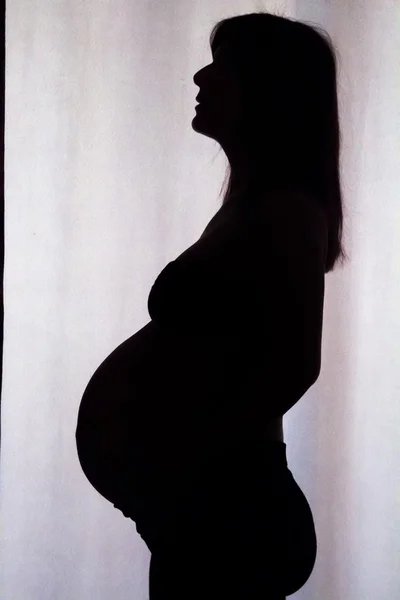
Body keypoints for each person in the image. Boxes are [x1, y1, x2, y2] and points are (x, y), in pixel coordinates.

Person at [76, 11, 347, 599]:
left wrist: (182, 463)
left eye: (224, 65)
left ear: (271, 89)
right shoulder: (252, 209)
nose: (201, 76)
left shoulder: (286, 212)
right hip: (212, 516)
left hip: (231, 519)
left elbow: (296, 365)